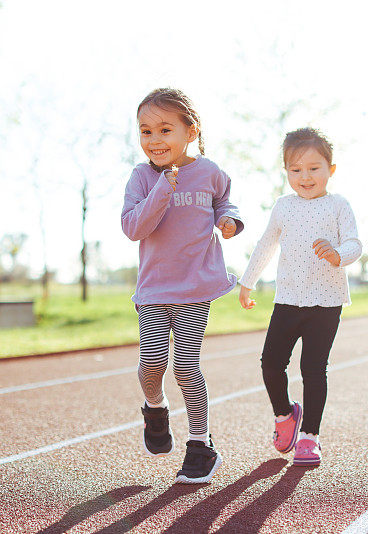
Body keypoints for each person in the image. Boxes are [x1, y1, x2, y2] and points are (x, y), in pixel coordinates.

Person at [121, 88, 243, 483]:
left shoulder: (209, 172)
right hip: (155, 289)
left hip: (195, 288)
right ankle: (155, 408)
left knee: (187, 365)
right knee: (152, 363)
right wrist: (163, 187)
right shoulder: (142, 177)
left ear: (191, 132)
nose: (155, 140)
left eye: (165, 129)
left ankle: (200, 446)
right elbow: (133, 227)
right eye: (146, 131)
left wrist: (229, 221)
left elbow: (225, 202)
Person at [238, 127, 362, 466]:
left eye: (313, 168)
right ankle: (284, 415)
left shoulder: (339, 205)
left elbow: (355, 243)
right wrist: (247, 282)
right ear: (286, 172)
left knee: (313, 368)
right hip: (289, 299)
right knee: (271, 364)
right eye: (295, 170)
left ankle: (310, 437)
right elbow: (266, 244)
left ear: (330, 169)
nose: (304, 177)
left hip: (327, 301)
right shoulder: (283, 206)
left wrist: (338, 254)